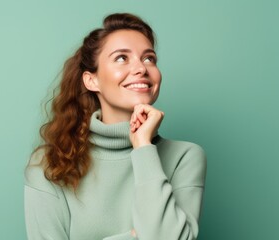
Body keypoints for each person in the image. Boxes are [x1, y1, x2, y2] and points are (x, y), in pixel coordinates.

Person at [24, 13, 207, 240]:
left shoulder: (185, 157)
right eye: (122, 58)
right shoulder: (49, 162)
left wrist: (142, 147)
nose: (141, 68)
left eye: (149, 58)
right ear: (92, 80)